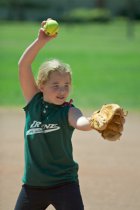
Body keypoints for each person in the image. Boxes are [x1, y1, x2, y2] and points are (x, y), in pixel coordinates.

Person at [14, 19, 94, 210]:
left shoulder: (68, 110)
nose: (62, 90)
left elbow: (81, 123)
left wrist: (95, 120)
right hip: (32, 186)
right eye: (55, 85)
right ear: (41, 86)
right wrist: (41, 40)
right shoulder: (34, 103)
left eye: (66, 85)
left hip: (64, 185)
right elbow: (23, 65)